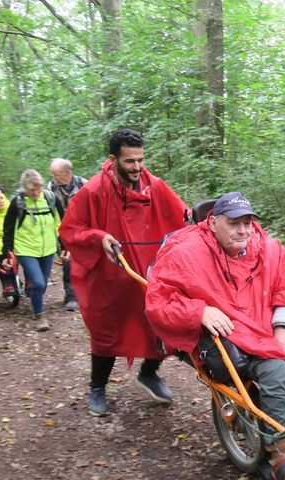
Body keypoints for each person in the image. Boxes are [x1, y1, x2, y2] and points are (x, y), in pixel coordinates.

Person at [145, 192, 285, 480]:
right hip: (233, 338)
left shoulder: (267, 248)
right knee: (275, 371)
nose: (243, 230)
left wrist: (284, 324)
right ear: (214, 222)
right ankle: (282, 449)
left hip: (267, 328)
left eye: (248, 222)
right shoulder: (188, 252)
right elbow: (160, 298)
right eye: (234, 223)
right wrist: (199, 311)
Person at [59, 128, 190, 417]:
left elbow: (183, 216)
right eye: (130, 161)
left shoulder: (153, 185)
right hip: (109, 278)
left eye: (141, 160)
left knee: (160, 327)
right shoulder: (93, 190)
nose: (137, 167)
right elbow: (70, 230)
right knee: (105, 334)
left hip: (147, 274)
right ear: (113, 159)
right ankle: (98, 387)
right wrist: (98, 236)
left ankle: (149, 373)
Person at [3, 170, 64, 331]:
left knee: (41, 285)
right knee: (38, 282)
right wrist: (7, 252)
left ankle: (34, 298)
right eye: (32, 190)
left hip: (48, 249)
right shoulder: (18, 202)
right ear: (24, 188)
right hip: (26, 248)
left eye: (38, 189)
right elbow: (8, 227)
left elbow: (63, 223)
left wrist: (64, 246)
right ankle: (39, 315)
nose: (36, 193)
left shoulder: (51, 198)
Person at [47, 158, 88, 312]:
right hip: (63, 230)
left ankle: (87, 294)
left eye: (56, 174)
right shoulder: (51, 187)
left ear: (68, 173)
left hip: (84, 229)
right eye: (53, 174)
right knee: (68, 262)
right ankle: (71, 297)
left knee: (87, 263)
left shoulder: (84, 184)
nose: (54, 178)